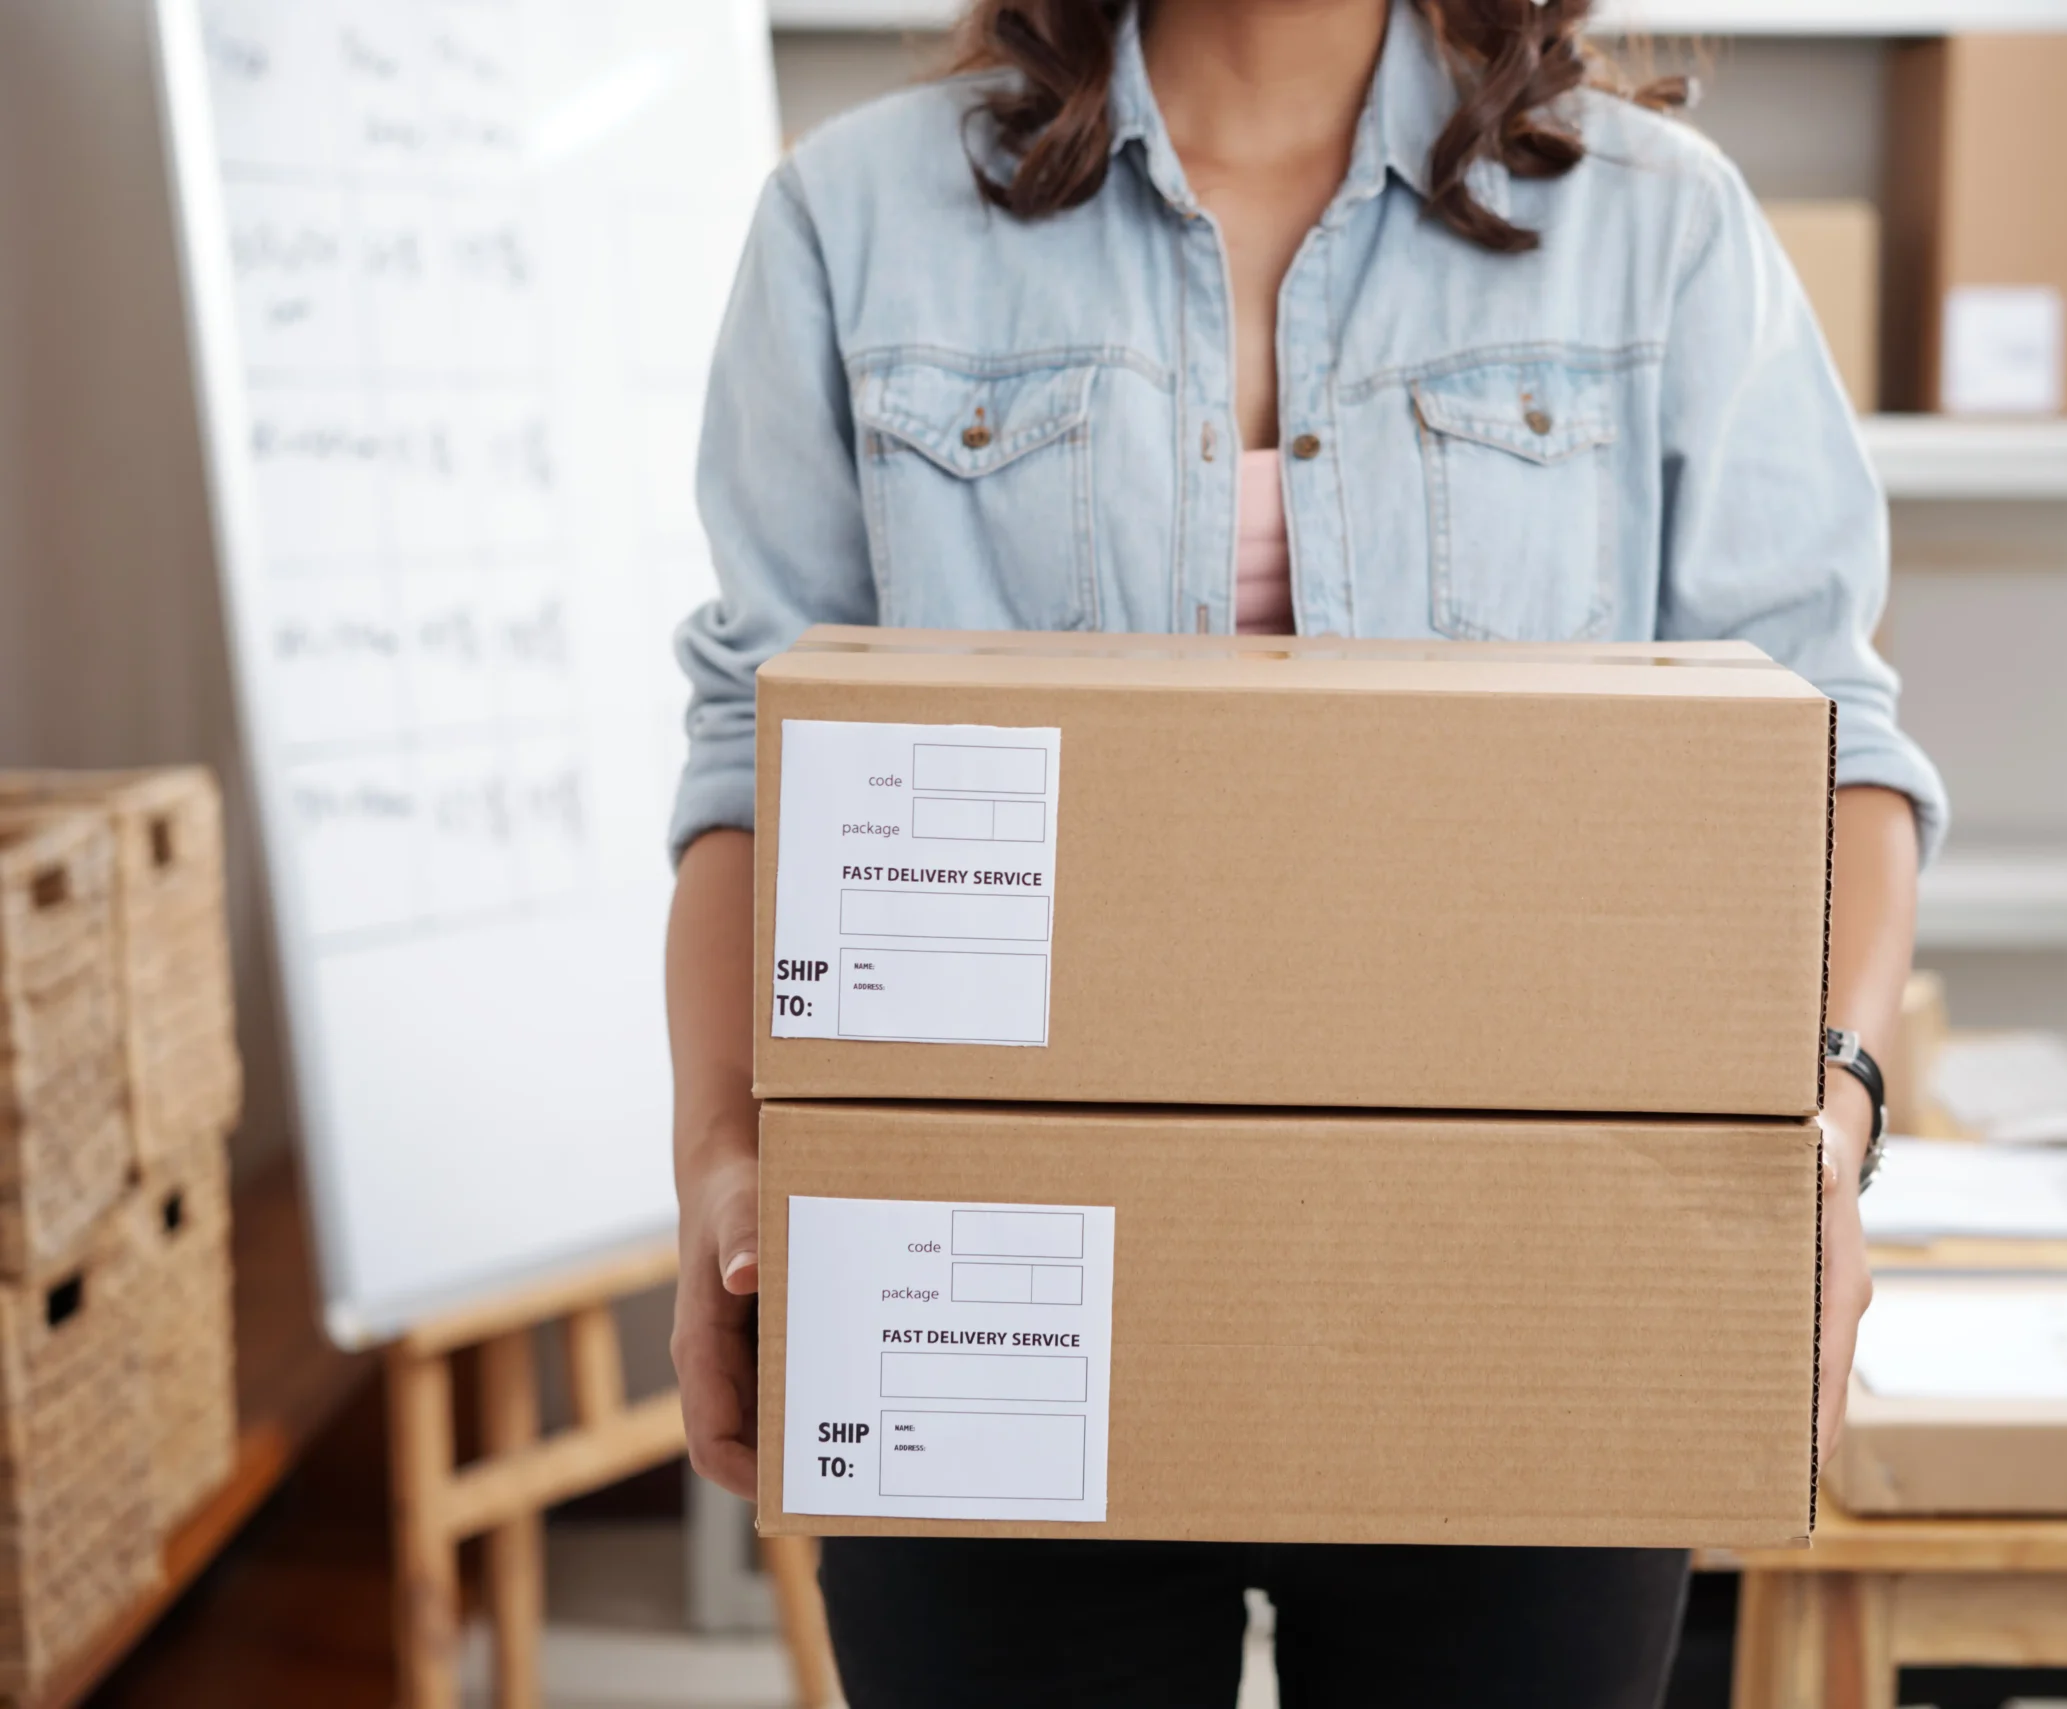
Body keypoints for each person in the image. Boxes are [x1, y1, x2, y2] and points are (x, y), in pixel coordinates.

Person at [665, 1, 1944, 1701]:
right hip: (987, 1311)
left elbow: (1831, 746)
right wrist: (726, 1160)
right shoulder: (856, 221)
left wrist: (1829, 1120)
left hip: (1523, 1301)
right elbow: (756, 767)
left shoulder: (1657, 230)